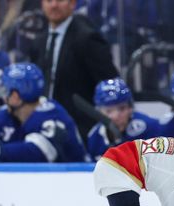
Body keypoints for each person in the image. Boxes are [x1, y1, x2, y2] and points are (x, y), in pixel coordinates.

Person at [0, 63, 88, 173]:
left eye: (5, 91)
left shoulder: (53, 115)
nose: (2, 96)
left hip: (75, 185)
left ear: (15, 96)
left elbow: (39, 152)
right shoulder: (5, 115)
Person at [29, 0, 119, 139]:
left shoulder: (88, 38)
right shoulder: (38, 41)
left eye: (60, 0)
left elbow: (109, 82)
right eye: (49, 0)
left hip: (81, 130)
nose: (54, 5)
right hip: (45, 127)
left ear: (72, 3)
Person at [86, 78, 163, 161]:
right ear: (99, 112)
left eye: (122, 108)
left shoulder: (150, 128)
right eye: (108, 111)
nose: (115, 116)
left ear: (130, 108)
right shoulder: (94, 137)